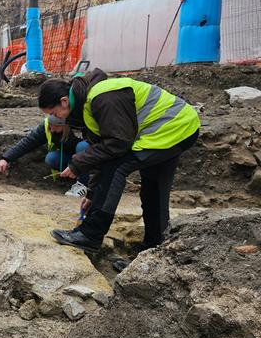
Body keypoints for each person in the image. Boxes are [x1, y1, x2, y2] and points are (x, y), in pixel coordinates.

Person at [37, 69, 200, 258]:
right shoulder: (88, 103)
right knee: (153, 189)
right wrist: (92, 194)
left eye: (54, 112)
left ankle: (90, 234)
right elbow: (103, 151)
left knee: (116, 167)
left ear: (64, 101)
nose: (56, 118)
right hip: (176, 127)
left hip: (173, 127)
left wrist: (76, 164)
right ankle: (153, 253)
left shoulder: (103, 97)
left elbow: (117, 145)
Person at [0, 115, 90, 197]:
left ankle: (83, 185)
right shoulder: (47, 126)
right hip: (71, 158)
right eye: (50, 127)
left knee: (82, 146)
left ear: (65, 125)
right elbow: (28, 142)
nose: (52, 130)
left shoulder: (79, 124)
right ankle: (73, 178)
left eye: (55, 127)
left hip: (91, 158)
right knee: (52, 158)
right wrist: (6, 158)